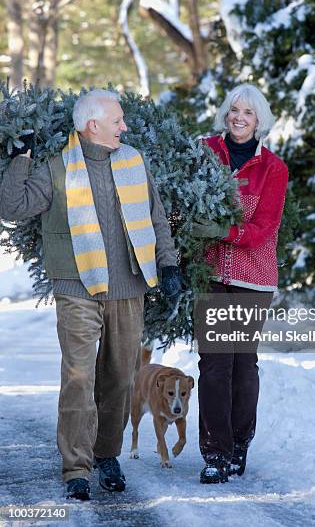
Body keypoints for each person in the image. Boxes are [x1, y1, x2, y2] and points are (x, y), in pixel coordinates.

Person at [0, 90, 181, 501]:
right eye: (118, 121)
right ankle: (75, 467)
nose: (125, 127)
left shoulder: (133, 162)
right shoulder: (57, 168)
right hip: (77, 286)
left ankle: (107, 455)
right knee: (79, 377)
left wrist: (167, 263)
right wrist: (22, 159)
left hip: (128, 287)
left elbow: (155, 218)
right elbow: (11, 206)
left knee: (119, 376)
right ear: (92, 124)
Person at [192, 83, 288, 483]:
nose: (239, 117)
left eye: (247, 112)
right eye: (234, 109)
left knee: (243, 365)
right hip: (211, 275)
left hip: (253, 278)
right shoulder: (204, 152)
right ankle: (215, 453)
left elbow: (263, 228)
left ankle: (239, 444)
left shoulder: (273, 168)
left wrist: (223, 230)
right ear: (225, 113)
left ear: (259, 119)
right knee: (214, 363)